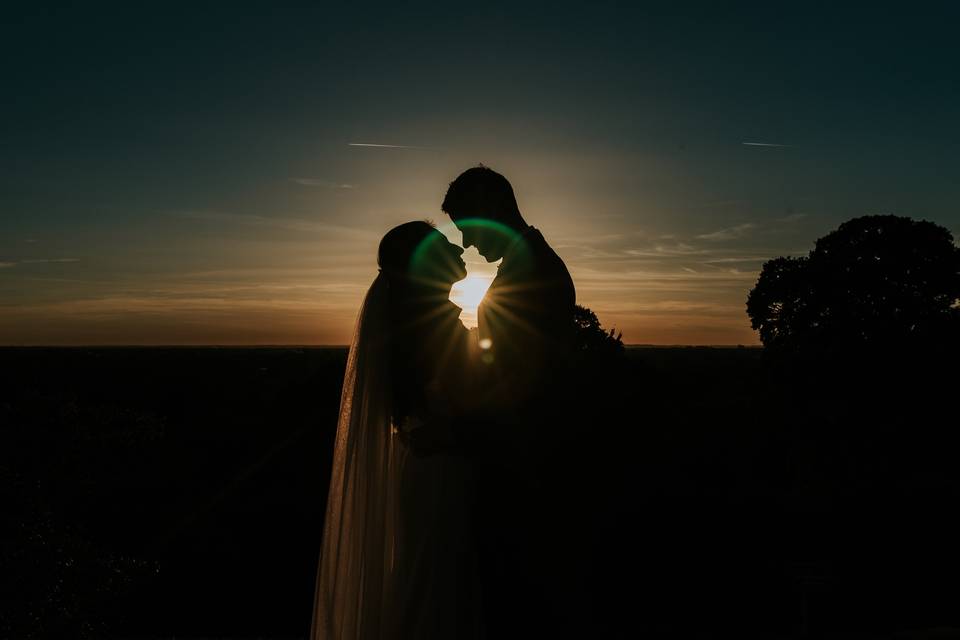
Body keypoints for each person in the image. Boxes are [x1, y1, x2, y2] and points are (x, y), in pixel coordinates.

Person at [311, 221, 484, 640]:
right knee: (436, 590)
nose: (460, 251)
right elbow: (468, 408)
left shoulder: (416, 325)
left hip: (428, 469)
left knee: (428, 585)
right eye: (446, 247)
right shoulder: (434, 328)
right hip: (443, 474)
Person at [441, 166, 578, 637]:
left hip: (523, 468)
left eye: (469, 229)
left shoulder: (534, 272)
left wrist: (453, 430)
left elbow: (525, 381)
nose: (469, 246)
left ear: (494, 212)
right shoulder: (528, 263)